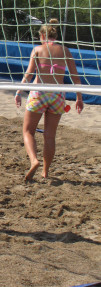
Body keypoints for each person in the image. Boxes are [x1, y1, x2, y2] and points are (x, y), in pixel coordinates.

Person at [15, 18, 84, 181]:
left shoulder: (38, 50)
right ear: (55, 35)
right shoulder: (65, 51)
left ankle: (34, 160)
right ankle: (45, 172)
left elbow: (29, 74)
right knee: (50, 135)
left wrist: (18, 91)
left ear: (42, 35)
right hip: (57, 95)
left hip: (39, 92)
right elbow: (75, 77)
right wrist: (79, 98)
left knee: (28, 131)